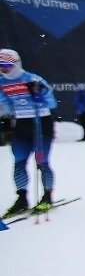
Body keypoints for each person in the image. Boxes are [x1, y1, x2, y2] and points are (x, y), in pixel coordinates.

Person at [0, 48, 58, 216]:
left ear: (16, 64)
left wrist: (39, 95)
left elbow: (52, 103)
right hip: (22, 123)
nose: (4, 70)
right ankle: (22, 198)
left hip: (41, 122)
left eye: (6, 66)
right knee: (19, 161)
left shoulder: (32, 79)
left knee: (42, 161)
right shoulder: (2, 82)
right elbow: (5, 105)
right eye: (1, 66)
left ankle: (47, 196)